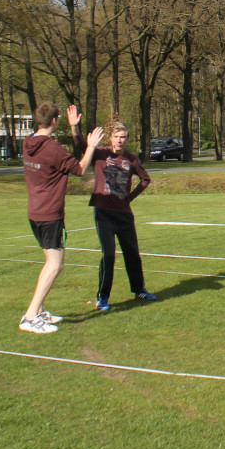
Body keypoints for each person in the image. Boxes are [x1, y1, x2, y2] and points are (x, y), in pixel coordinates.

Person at [19, 101, 103, 334]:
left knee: (50, 263)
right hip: (49, 214)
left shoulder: (28, 142)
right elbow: (80, 169)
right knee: (56, 265)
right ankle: (30, 316)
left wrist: (74, 127)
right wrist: (91, 146)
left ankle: (40, 310)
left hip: (35, 212)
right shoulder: (52, 148)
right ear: (55, 121)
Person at [69, 110, 157, 312]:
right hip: (103, 213)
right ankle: (102, 297)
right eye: (116, 136)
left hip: (124, 215)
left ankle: (139, 290)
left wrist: (129, 198)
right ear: (111, 138)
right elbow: (82, 146)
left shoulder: (131, 160)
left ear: (127, 139)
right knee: (108, 255)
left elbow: (145, 180)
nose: (119, 140)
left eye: (123, 137)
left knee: (132, 254)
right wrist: (75, 127)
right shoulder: (100, 155)